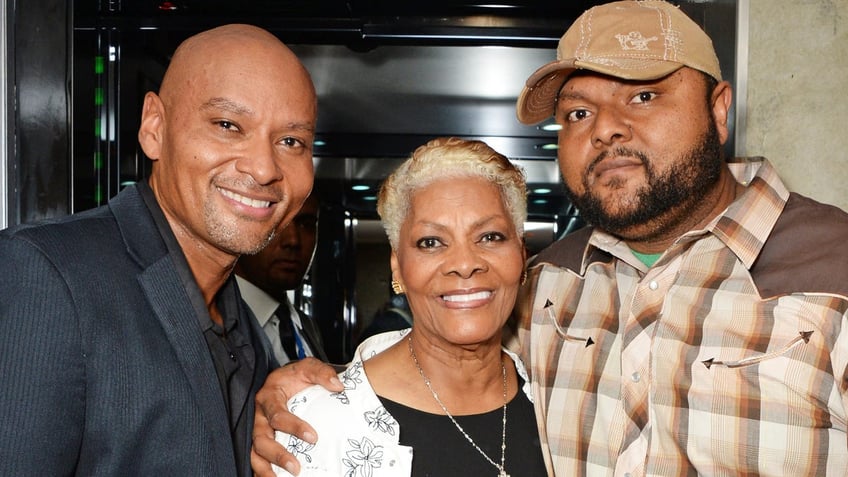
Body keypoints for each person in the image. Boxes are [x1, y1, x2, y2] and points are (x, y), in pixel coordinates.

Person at [252, 1, 848, 475]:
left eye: (644, 94)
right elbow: (449, 344)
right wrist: (306, 385)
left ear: (719, 111)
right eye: (579, 113)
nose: (608, 128)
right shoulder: (546, 287)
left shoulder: (834, 269)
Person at [0, 24, 317, 476]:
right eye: (228, 125)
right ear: (155, 127)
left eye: (291, 142)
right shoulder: (45, 275)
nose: (265, 168)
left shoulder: (244, 326)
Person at [270, 137, 547, 476]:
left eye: (489, 237)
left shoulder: (556, 403)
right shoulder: (317, 425)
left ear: (521, 255)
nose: (464, 263)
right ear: (398, 267)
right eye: (431, 242)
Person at [236, 190, 329, 367]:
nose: (293, 240)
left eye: (306, 224)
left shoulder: (306, 326)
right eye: (276, 223)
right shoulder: (215, 323)